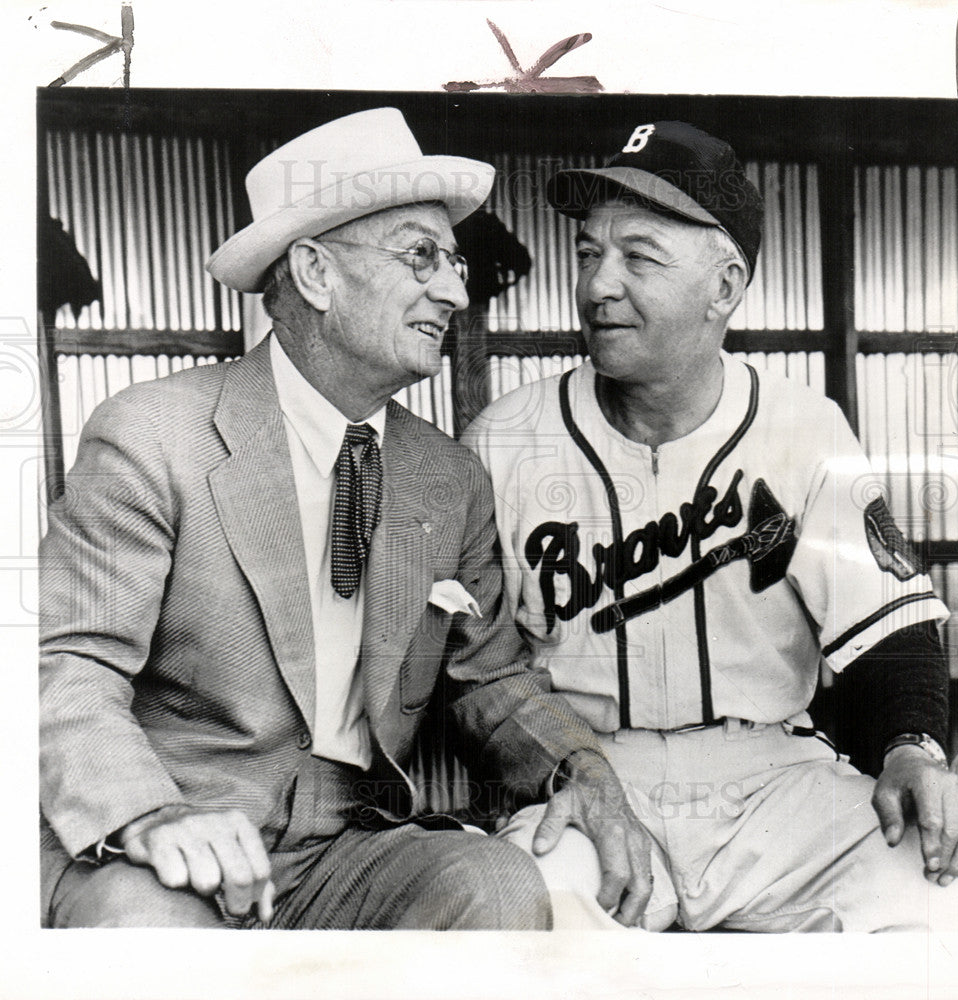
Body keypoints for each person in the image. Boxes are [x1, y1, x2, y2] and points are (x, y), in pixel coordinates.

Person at [38, 107, 635, 930]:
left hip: (352, 850)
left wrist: (582, 769)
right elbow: (66, 663)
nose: (457, 290)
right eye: (422, 256)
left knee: (495, 889)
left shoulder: (447, 475)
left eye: (454, 261)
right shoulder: (154, 435)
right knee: (149, 936)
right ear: (316, 274)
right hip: (174, 842)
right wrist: (147, 814)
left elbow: (490, 676)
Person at [463, 119, 958, 932]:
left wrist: (909, 750)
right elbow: (468, 672)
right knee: (522, 924)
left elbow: (891, 626)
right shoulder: (505, 439)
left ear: (724, 285)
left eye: (638, 256)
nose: (599, 284)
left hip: (777, 780)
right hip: (595, 778)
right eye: (588, 252)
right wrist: (560, 773)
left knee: (953, 901)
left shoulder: (805, 428)